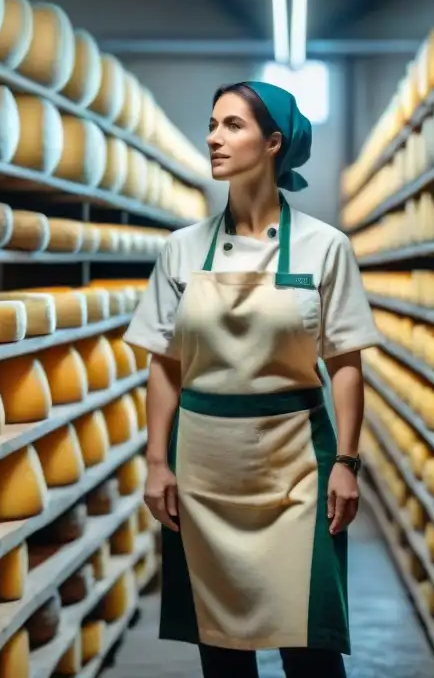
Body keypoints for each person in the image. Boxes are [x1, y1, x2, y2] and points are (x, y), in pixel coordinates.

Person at [123, 80, 381, 678]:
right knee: (223, 650)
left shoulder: (325, 247)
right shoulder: (181, 251)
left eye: (232, 125)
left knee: (310, 649)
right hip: (205, 466)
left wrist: (347, 461)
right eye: (212, 124)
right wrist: (157, 461)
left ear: (273, 143)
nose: (214, 137)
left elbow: (346, 364)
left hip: (296, 464)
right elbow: (164, 363)